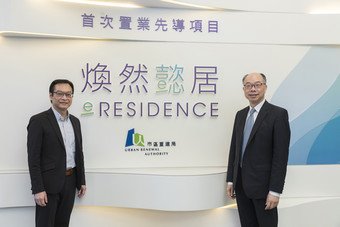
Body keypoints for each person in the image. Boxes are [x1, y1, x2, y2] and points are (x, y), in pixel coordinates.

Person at [226, 72, 290, 227]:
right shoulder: (240, 115)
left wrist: (275, 191)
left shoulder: (278, 114)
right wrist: (231, 179)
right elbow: (234, 150)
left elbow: (280, 157)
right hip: (241, 187)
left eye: (257, 85)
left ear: (265, 87)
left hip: (264, 189)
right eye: (248, 86)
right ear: (244, 90)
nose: (252, 89)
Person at [27, 79, 86, 227]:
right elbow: (33, 158)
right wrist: (38, 189)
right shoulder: (38, 121)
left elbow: (79, 153)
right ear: (51, 96)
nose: (64, 98)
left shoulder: (75, 122)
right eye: (59, 94)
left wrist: (81, 181)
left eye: (68, 94)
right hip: (48, 185)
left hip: (70, 181)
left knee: (63, 223)